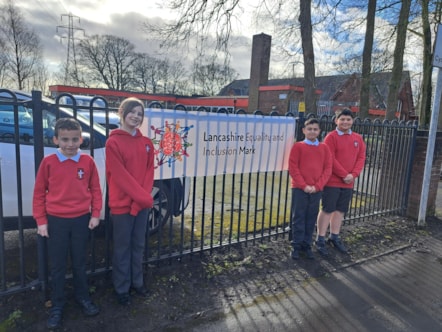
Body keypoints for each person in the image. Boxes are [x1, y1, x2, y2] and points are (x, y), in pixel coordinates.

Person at [33, 118, 102, 330]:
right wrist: (41, 221)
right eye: (64, 139)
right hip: (56, 221)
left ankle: (83, 297)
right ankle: (58, 304)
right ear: (55, 140)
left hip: (81, 219)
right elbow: (38, 194)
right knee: (58, 265)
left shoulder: (88, 162)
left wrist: (95, 214)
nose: (70, 144)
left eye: (74, 139)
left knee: (80, 262)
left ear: (81, 139)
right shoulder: (49, 162)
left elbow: (96, 190)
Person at [105, 97, 154, 305]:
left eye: (140, 113)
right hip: (122, 206)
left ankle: (138, 282)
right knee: (122, 247)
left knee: (138, 245)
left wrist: (140, 202)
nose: (136, 116)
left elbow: (148, 174)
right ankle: (122, 288)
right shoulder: (113, 142)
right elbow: (120, 176)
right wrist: (143, 199)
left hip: (140, 205)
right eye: (132, 112)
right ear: (122, 113)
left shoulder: (147, 144)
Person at [315, 108, 366, 256]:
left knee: (340, 210)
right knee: (327, 209)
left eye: (348, 119)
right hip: (332, 181)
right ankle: (320, 239)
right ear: (336, 120)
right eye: (342, 119)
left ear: (352, 121)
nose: (345, 122)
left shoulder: (358, 138)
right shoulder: (331, 137)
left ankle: (334, 237)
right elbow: (329, 158)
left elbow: (361, 157)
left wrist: (353, 174)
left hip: (349, 182)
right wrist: (344, 174)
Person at [288, 118, 332, 260]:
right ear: (304, 131)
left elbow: (327, 168)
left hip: (316, 190)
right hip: (300, 189)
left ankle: (307, 245)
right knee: (298, 216)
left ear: (319, 131)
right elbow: (293, 168)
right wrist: (304, 185)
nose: (312, 132)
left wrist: (317, 186)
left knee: (311, 217)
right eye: (309, 129)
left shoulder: (324, 148)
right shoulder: (298, 146)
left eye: (315, 129)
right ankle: (296, 245)